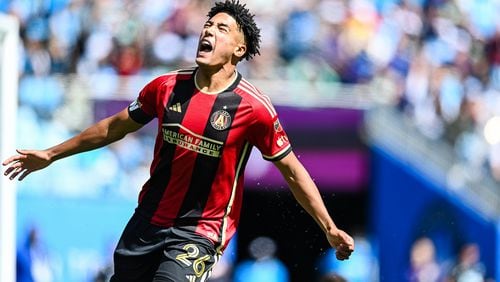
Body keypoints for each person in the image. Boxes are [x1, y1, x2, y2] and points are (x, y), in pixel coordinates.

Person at [3, 1, 354, 281]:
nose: (208, 31)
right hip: (147, 221)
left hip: (199, 233)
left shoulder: (254, 108)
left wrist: (328, 227)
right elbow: (114, 127)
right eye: (207, 25)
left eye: (221, 28)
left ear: (239, 48)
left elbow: (292, 171)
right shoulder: (167, 87)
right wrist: (50, 154)